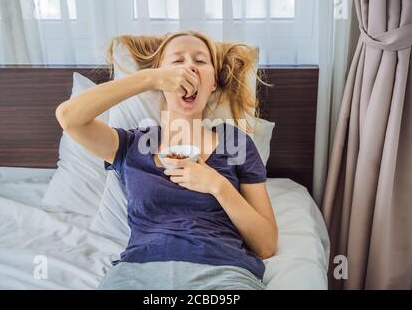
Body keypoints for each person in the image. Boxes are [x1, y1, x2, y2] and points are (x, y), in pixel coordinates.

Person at [55, 30, 278, 290]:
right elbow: (68, 117)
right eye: (177, 61)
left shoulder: (234, 142)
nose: (189, 67)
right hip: (138, 273)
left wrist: (219, 186)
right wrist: (149, 78)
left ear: (214, 83)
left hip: (222, 271)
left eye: (200, 61)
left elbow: (266, 245)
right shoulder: (131, 144)